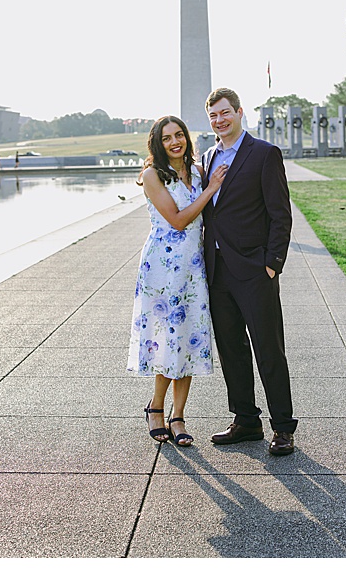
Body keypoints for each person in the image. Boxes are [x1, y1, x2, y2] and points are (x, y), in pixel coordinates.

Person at [201, 88, 296, 455]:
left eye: (225, 113)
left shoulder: (263, 154)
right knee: (232, 349)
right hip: (218, 271)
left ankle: (283, 427)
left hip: (255, 270)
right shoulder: (207, 157)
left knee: (269, 349)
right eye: (213, 116)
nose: (219, 120)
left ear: (239, 112)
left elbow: (280, 213)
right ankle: (245, 420)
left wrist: (272, 264)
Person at [129, 116, 225, 446]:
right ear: (158, 142)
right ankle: (156, 408)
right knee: (168, 340)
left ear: (186, 138)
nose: (175, 141)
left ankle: (179, 415)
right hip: (162, 268)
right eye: (167, 137)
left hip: (193, 266)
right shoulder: (152, 175)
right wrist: (212, 188)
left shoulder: (197, 172)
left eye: (179, 135)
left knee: (189, 339)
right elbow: (179, 220)